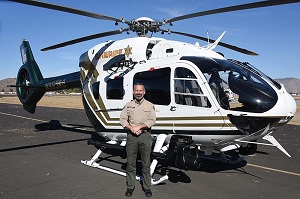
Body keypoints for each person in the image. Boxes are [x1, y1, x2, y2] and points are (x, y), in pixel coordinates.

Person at [119, 83, 156, 197]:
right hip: (132, 136)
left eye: (140, 90)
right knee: (130, 163)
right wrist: (131, 128)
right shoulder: (128, 105)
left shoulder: (150, 105)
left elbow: (152, 120)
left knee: (146, 163)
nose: (138, 92)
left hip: (145, 136)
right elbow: (122, 119)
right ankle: (130, 187)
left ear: (144, 92)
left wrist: (139, 127)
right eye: (136, 90)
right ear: (133, 92)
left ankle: (147, 187)